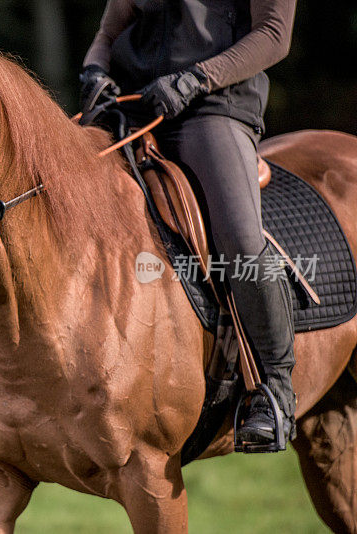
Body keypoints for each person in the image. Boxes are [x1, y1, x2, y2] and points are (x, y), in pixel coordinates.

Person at [80, 0, 298, 447]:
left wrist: (198, 78)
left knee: (239, 240)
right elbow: (108, 32)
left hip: (213, 108)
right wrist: (95, 72)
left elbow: (275, 34)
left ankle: (275, 390)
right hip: (131, 106)